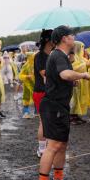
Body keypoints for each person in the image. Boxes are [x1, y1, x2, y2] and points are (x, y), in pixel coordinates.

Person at [33, 26, 90, 180]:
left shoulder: (60, 56)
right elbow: (65, 74)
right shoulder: (58, 55)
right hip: (54, 106)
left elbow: (57, 77)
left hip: (60, 106)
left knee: (62, 144)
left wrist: (69, 84)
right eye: (72, 35)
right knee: (54, 145)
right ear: (65, 38)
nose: (74, 38)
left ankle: (58, 179)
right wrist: (82, 75)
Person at [33, 29, 54, 157]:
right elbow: (43, 73)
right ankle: (41, 149)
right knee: (43, 121)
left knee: (49, 121)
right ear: (48, 40)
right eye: (54, 38)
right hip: (41, 92)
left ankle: (46, 146)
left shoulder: (52, 55)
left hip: (50, 92)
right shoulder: (39, 56)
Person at [69, 41, 90, 125]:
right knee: (73, 100)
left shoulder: (81, 58)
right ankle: (71, 117)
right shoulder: (72, 57)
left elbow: (88, 64)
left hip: (81, 81)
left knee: (78, 99)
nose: (83, 49)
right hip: (75, 81)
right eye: (82, 47)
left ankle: (76, 116)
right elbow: (73, 68)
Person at [19, 52, 35, 118]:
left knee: (37, 98)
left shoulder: (36, 64)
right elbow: (20, 75)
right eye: (31, 56)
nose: (33, 57)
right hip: (27, 84)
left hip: (36, 84)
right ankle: (26, 112)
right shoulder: (25, 65)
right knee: (26, 97)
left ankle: (37, 112)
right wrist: (27, 76)